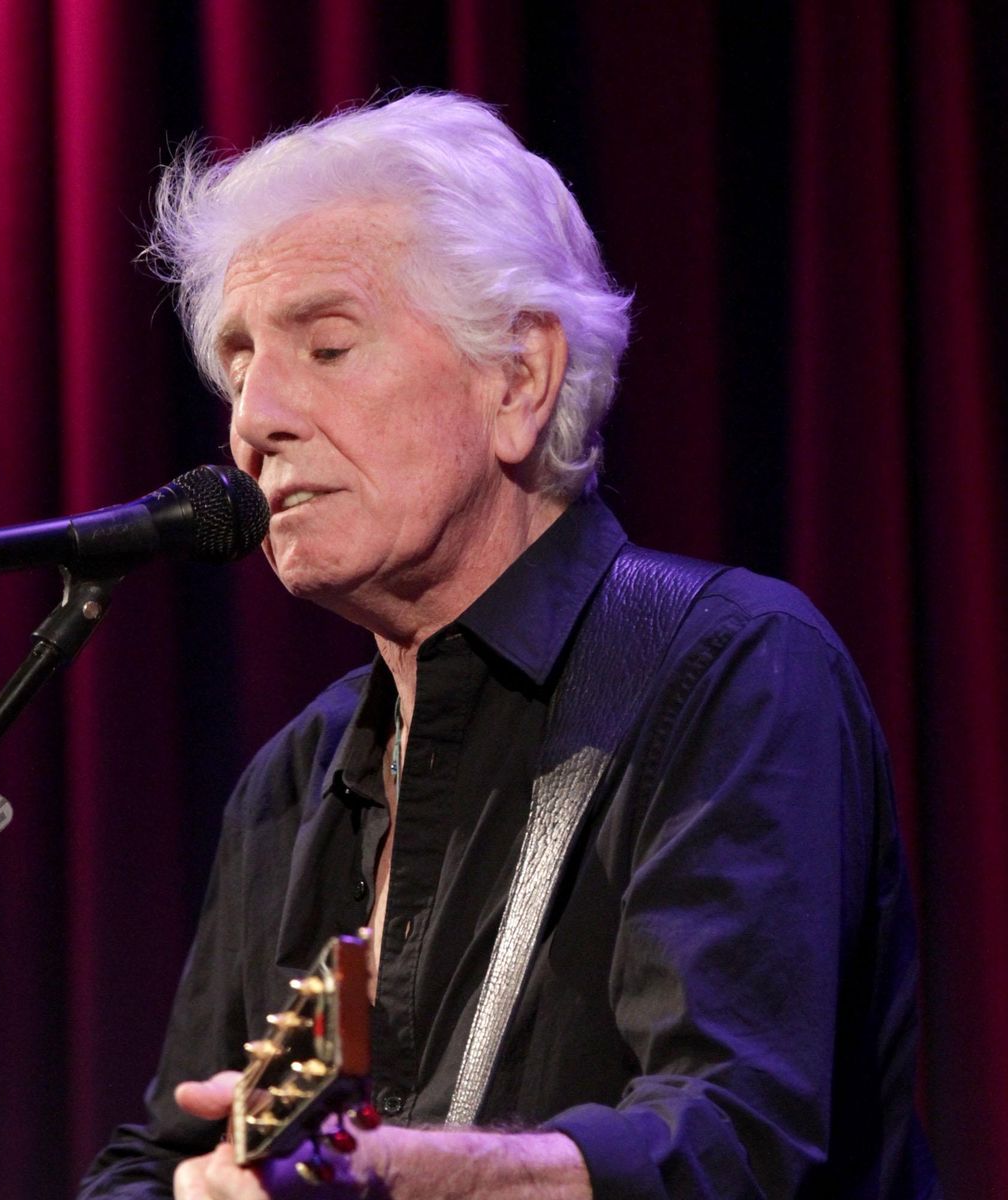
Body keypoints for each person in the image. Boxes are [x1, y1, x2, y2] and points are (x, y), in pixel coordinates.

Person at [78, 92, 938, 1199]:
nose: (255, 420)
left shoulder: (731, 672)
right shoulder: (292, 782)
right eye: (240, 368)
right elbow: (154, 1159)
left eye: (327, 346)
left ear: (521, 377)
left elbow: (738, 1142)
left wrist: (405, 1176)